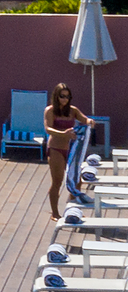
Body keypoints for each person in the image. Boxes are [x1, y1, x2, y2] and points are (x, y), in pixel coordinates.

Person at [44, 83, 90, 219]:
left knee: (77, 181)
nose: (65, 99)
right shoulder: (50, 110)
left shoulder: (73, 110)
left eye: (67, 96)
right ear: (56, 96)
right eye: (62, 96)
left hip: (70, 149)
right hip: (56, 149)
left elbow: (84, 119)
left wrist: (90, 121)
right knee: (57, 182)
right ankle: (55, 213)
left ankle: (72, 209)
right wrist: (63, 133)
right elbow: (48, 129)